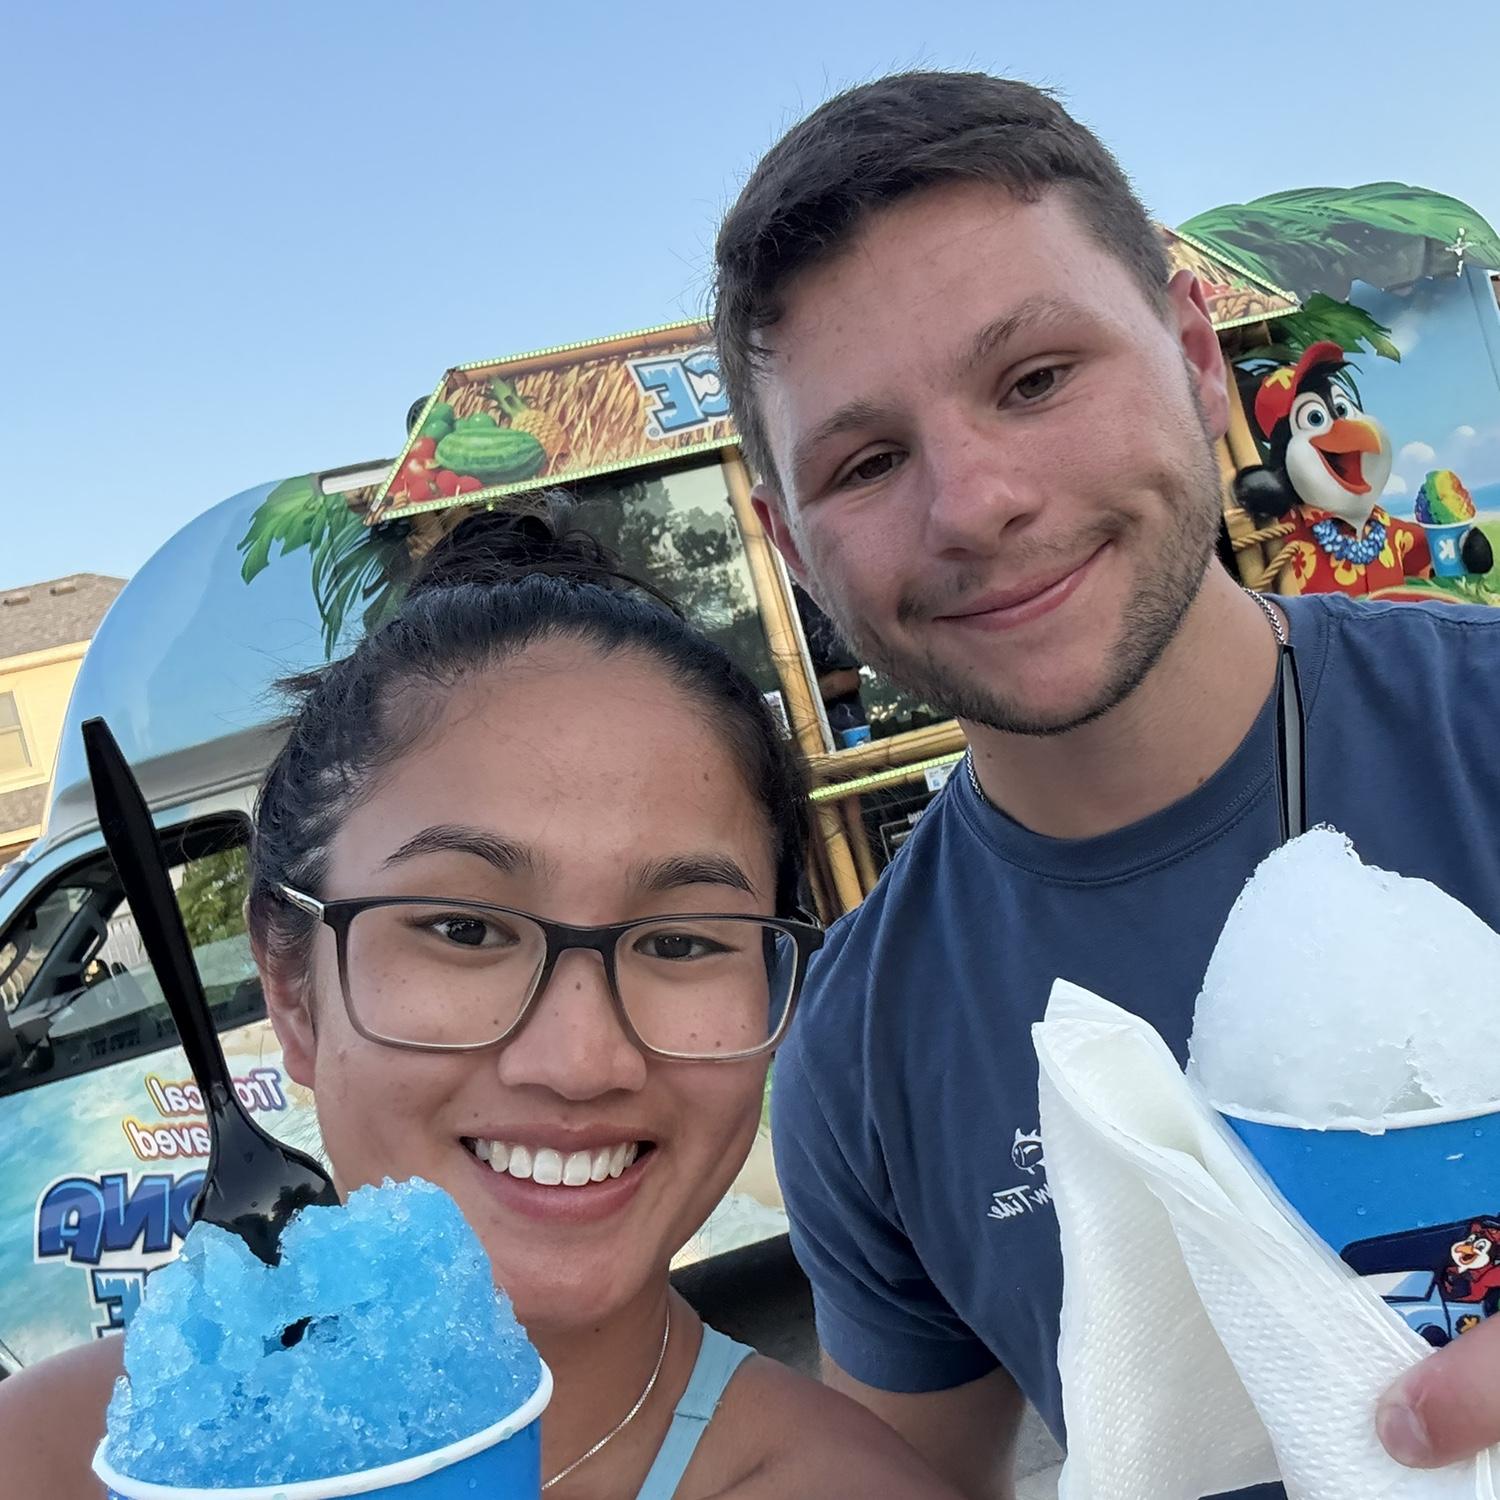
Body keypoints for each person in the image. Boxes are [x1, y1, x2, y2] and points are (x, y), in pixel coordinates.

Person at [711, 69, 1500, 1498]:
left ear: (1198, 356)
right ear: (789, 544)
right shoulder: (860, 1052)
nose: (976, 502)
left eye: (1036, 378)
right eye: (870, 460)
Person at [0, 503, 958, 1500]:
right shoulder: (47, 1461)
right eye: (462, 928)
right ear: (293, 992)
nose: (583, 1059)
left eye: (680, 941)